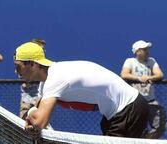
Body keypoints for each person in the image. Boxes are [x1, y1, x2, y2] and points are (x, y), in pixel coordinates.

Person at [13, 42, 149, 138]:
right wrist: (32, 118)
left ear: (32, 64)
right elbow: (37, 112)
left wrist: (31, 115)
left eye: (18, 66)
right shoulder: (47, 82)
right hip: (118, 113)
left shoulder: (56, 78)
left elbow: (38, 122)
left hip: (129, 109)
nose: (15, 71)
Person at [120, 40, 167, 139]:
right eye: (144, 49)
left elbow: (159, 74)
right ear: (137, 51)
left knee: (161, 126)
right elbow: (124, 74)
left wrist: (149, 78)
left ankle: (147, 140)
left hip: (151, 100)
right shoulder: (130, 61)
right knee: (139, 128)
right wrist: (139, 78)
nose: (147, 51)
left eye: (147, 49)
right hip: (136, 101)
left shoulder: (151, 61)